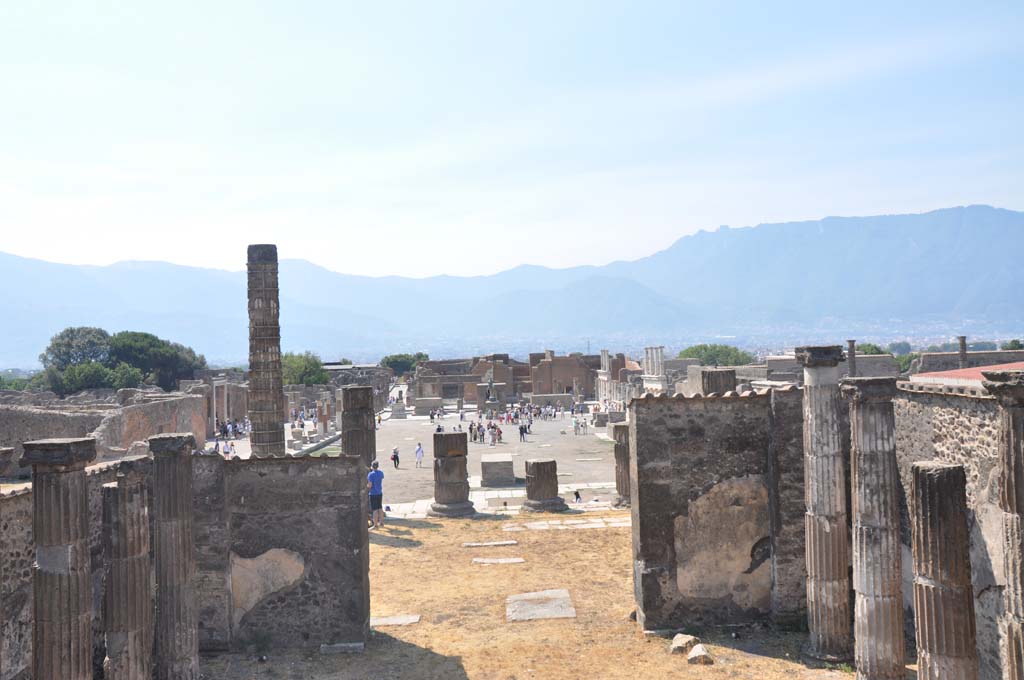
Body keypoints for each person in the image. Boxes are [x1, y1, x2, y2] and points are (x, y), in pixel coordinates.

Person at [367, 461, 385, 529]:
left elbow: (370, 485)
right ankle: (382, 522)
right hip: (379, 492)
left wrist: (366, 486)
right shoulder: (381, 473)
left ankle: (375, 525)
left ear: (372, 466)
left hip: (373, 493)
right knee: (380, 508)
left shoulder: (370, 474)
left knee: (374, 510)